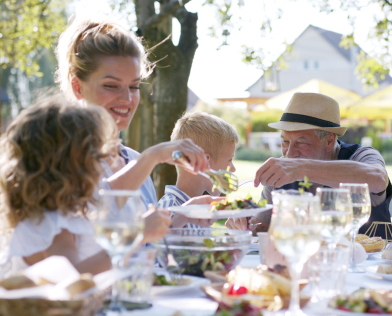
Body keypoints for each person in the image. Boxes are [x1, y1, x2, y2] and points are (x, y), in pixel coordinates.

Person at [55, 18, 210, 233]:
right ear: (77, 87)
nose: (127, 98)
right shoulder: (60, 161)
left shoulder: (133, 160)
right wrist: (152, 156)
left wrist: (181, 216)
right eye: (111, 85)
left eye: (134, 86)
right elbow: (79, 248)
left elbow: (145, 244)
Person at [226, 92, 392, 238]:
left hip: (371, 268)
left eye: (301, 142)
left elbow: (377, 178)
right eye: (285, 141)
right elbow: (264, 227)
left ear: (329, 140)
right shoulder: (280, 172)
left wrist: (302, 169)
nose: (290, 153)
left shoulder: (361, 156)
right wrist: (245, 225)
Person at [0, 98, 118, 277]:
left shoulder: (55, 216)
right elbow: (69, 282)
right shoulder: (52, 224)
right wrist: (134, 241)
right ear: (70, 168)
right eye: (95, 156)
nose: (102, 165)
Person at [158, 111, 239, 228]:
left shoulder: (200, 211)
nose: (233, 169)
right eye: (229, 160)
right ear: (204, 161)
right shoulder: (169, 212)